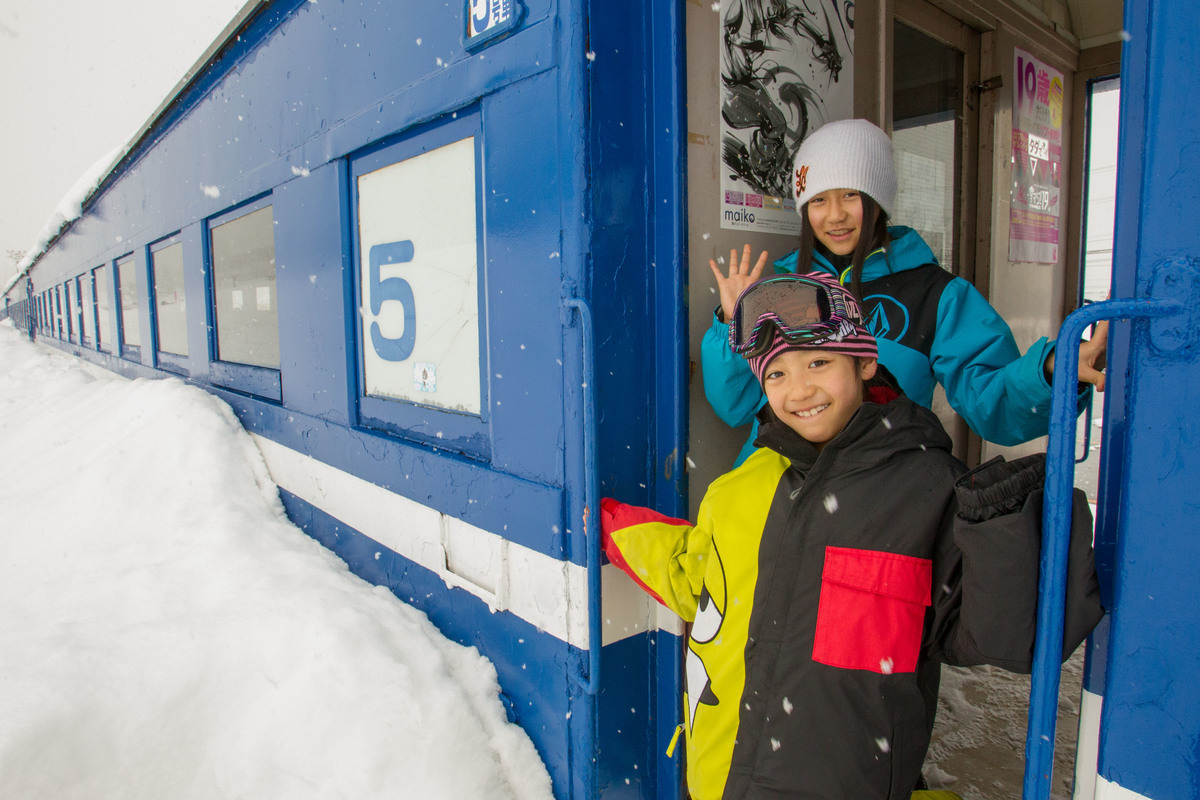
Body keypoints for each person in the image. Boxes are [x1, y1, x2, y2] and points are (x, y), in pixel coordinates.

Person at [601, 273, 1103, 799]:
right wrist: (612, 527)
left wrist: (1006, 524)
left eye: (819, 362)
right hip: (717, 783)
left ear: (864, 361)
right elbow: (697, 575)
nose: (800, 391)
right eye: (776, 375)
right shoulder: (740, 485)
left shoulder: (925, 489)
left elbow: (1002, 635)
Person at [702, 118, 1108, 466]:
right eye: (819, 200)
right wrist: (731, 323)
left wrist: (1052, 369)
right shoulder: (784, 286)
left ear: (878, 201)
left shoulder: (937, 294)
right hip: (770, 494)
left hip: (874, 500)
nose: (836, 215)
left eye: (851, 195)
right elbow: (736, 406)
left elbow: (993, 407)